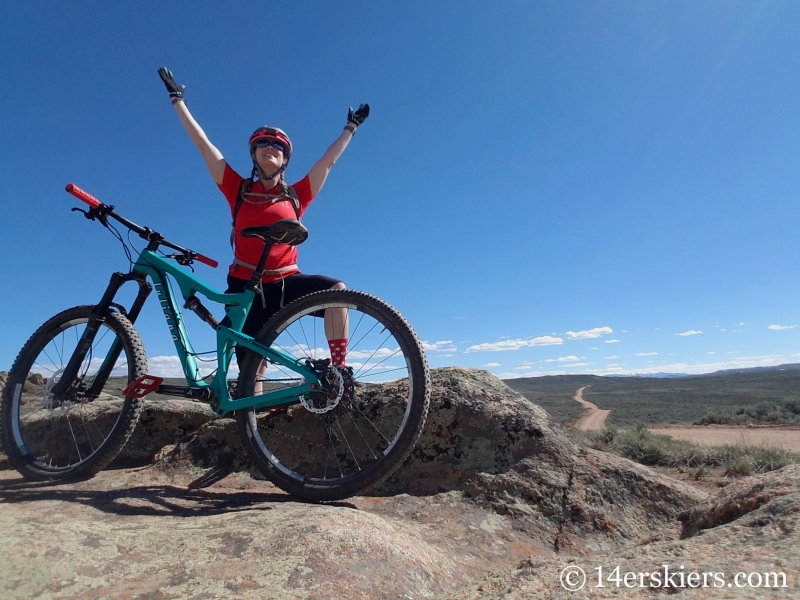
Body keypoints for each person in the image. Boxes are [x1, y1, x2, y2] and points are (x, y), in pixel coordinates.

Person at [157, 67, 369, 369]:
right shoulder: (237, 189)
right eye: (263, 144)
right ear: (254, 155)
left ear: (284, 159)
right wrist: (178, 101)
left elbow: (328, 161)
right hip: (244, 285)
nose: (270, 147)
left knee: (337, 292)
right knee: (251, 366)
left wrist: (351, 127)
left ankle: (339, 371)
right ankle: (252, 412)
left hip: (287, 280)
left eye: (278, 146)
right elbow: (204, 146)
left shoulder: (298, 194)